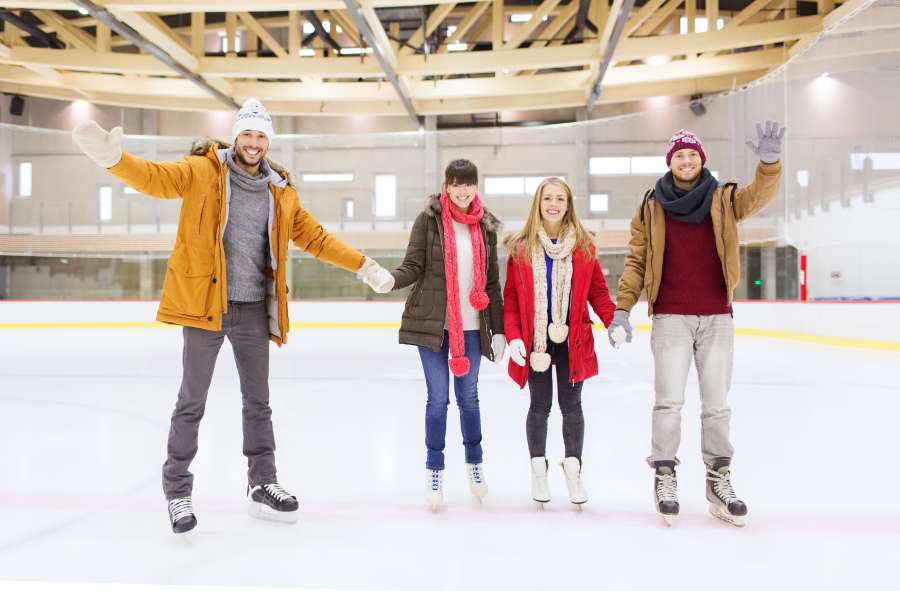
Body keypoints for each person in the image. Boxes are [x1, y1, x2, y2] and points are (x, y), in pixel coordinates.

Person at [71, 98, 393, 533]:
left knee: (258, 403)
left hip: (253, 310)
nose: (254, 143)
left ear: (268, 141)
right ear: (236, 136)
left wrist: (363, 264)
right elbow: (156, 179)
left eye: (262, 136)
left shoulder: (280, 191)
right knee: (192, 402)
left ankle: (263, 483)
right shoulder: (203, 170)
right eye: (248, 134)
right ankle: (178, 492)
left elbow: (316, 238)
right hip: (206, 307)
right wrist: (114, 160)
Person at [610, 122, 786, 526]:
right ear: (670, 162)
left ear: (701, 159)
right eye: (679, 155)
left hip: (717, 316)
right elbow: (636, 260)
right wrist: (623, 307)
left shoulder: (723, 198)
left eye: (692, 155)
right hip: (671, 315)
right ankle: (665, 474)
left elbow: (758, 197)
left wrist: (770, 163)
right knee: (668, 402)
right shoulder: (651, 205)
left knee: (717, 405)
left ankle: (718, 480)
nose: (686, 161)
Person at [385, 159, 505, 510]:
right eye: (456, 184)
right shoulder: (430, 220)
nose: (462, 190)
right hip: (435, 328)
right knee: (438, 400)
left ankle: (475, 464)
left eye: (468, 184)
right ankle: (434, 469)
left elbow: (493, 283)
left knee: (469, 399)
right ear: (446, 185)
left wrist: (497, 329)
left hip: (471, 329)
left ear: (476, 186)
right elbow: (414, 265)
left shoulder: (486, 226)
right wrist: (390, 279)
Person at [502, 177, 616, 507]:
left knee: (572, 406)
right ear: (538, 203)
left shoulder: (584, 246)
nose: (554, 204)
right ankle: (539, 471)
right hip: (536, 341)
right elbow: (510, 298)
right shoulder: (521, 247)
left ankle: (573, 470)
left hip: (572, 340)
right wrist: (512, 337)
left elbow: (597, 293)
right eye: (548, 198)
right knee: (539, 406)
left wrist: (612, 321)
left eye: (560, 199)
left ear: (569, 205)